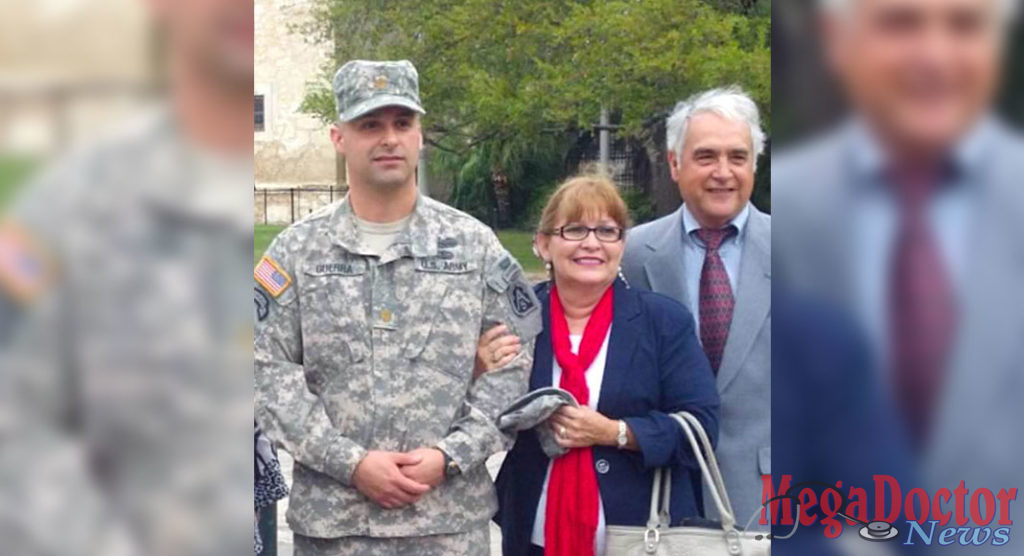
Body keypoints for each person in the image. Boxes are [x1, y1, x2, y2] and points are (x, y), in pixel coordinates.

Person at [254, 59, 542, 556]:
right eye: (370, 124)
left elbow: (514, 366)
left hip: (446, 523)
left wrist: (450, 455)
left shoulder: (473, 247)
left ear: (419, 135)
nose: (389, 138)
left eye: (402, 123)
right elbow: (264, 371)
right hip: (335, 527)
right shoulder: (296, 252)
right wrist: (350, 462)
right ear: (339, 137)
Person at [773, 1, 1024, 538]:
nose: (934, 56)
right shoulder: (785, 213)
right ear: (838, 42)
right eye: (900, 23)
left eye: (965, 25)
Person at [483, 175, 720, 556]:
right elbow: (482, 418)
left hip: (644, 539)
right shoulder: (515, 321)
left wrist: (616, 432)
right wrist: (481, 370)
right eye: (574, 229)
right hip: (534, 535)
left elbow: (703, 429)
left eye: (607, 231)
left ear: (621, 245)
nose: (592, 243)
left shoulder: (662, 322)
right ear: (543, 244)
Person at [620, 87, 771, 530]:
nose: (723, 172)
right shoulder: (629, 255)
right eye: (706, 156)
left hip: (772, 498)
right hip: (658, 497)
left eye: (738, 157)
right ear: (674, 164)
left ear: (754, 165)